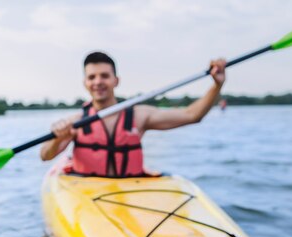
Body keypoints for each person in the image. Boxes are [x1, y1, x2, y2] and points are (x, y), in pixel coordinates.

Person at [40, 51, 226, 177]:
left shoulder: (139, 116)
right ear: (85, 83)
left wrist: (217, 85)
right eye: (92, 77)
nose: (98, 82)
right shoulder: (76, 122)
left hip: (130, 192)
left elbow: (191, 115)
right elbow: (45, 155)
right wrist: (57, 139)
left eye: (104, 76)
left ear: (116, 80)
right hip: (86, 192)